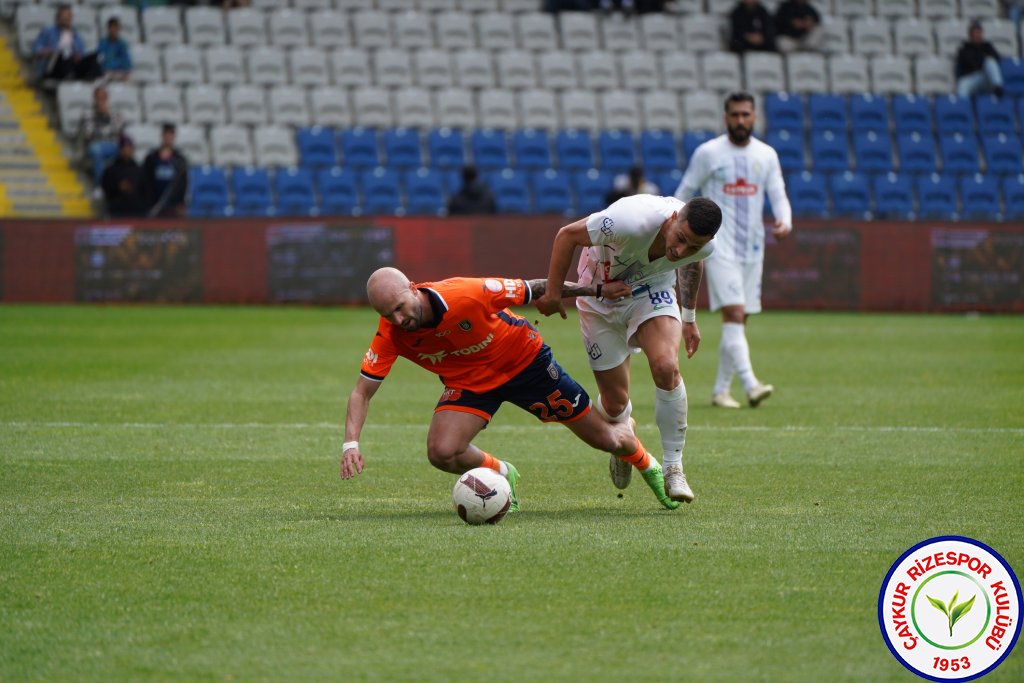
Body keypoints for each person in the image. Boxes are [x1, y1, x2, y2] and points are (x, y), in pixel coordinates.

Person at [340, 268, 681, 511]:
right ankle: (503, 474)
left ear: (413, 288)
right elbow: (362, 392)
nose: (398, 320)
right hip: (470, 384)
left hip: (526, 364)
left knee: (607, 440)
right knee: (442, 452)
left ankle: (645, 462)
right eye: (388, 314)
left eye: (399, 308)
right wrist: (350, 443)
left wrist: (596, 291)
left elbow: (536, 287)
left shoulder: (466, 293)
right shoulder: (391, 332)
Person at [535, 196, 723, 504]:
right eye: (680, 239)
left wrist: (688, 318)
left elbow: (693, 261)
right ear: (673, 217)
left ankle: (674, 465)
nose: (680, 252)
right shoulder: (630, 220)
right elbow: (567, 235)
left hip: (652, 292)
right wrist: (554, 295)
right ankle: (625, 434)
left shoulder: (700, 246)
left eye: (693, 246)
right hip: (599, 300)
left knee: (666, 366)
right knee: (613, 406)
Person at [674, 92, 792, 410]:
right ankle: (751, 384)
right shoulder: (709, 153)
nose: (740, 120)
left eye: (746, 115)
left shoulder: (766, 155)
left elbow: (778, 192)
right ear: (725, 118)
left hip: (753, 247)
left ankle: (720, 391)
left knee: (739, 320)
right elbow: (684, 192)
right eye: (735, 115)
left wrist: (785, 220)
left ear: (755, 117)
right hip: (718, 246)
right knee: (735, 313)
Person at [77, 85, 124, 186]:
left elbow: (118, 129)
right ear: (94, 98)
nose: (101, 101)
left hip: (112, 145)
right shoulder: (87, 113)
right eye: (98, 98)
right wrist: (103, 119)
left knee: (125, 151)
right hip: (94, 145)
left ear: (107, 98)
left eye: (103, 98)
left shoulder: (115, 112)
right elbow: (89, 133)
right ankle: (100, 185)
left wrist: (106, 116)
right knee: (96, 150)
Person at [31, 4, 89, 82]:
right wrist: (46, 51)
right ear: (58, 18)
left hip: (72, 65)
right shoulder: (48, 32)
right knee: (63, 53)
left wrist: (78, 56)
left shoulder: (76, 36)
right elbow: (36, 48)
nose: (66, 20)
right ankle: (70, 76)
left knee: (93, 58)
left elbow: (81, 54)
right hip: (53, 65)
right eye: (64, 18)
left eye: (68, 18)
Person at [141, 123, 189, 218]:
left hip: (173, 206)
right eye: (166, 134)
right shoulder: (151, 158)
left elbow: (183, 184)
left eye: (171, 134)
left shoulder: (180, 159)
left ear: (174, 137)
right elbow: (145, 182)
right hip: (155, 205)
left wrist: (181, 203)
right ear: (162, 135)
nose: (168, 137)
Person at [955, 21, 1004, 98]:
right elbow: (967, 62)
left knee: (990, 61)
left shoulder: (987, 46)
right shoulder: (964, 48)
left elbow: (997, 58)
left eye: (979, 33)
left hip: (984, 77)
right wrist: (981, 58)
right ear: (970, 35)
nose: (977, 35)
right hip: (970, 78)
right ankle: (962, 107)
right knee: (962, 84)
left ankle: (998, 88)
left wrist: (981, 59)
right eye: (975, 33)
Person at [101, 135, 146, 218]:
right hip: (117, 214)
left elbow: (146, 192)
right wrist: (118, 187)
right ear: (120, 150)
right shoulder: (111, 170)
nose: (127, 150)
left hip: (137, 214)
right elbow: (106, 190)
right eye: (124, 147)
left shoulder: (140, 170)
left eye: (129, 147)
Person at [95, 17, 132, 81]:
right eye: (112, 27)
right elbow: (101, 60)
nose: (114, 30)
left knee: (128, 77)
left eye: (116, 28)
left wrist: (119, 67)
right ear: (108, 29)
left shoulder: (122, 44)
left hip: (120, 72)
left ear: (119, 29)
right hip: (106, 72)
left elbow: (126, 62)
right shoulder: (103, 44)